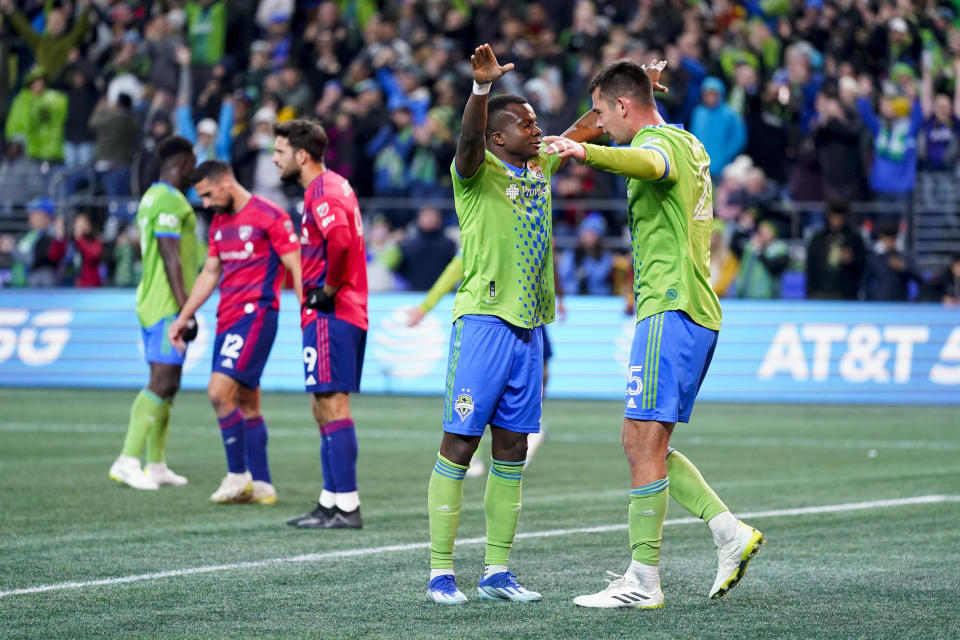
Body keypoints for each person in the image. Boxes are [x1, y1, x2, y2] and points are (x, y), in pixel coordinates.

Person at [543, 59, 764, 609]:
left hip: (669, 309)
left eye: (602, 112)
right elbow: (610, 125)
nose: (596, 123)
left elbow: (645, 162)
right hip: (689, 308)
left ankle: (643, 581)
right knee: (642, 441)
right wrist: (603, 111)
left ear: (623, 106)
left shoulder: (659, 147)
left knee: (643, 442)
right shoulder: (687, 139)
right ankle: (729, 533)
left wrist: (585, 151)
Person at [423, 44, 601, 606]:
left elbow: (586, 127)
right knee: (458, 443)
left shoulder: (540, 163)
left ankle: (497, 572)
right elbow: (469, 140)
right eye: (525, 123)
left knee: (512, 449)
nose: (536, 127)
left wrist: (629, 92)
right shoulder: (476, 173)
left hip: (528, 329)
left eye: (534, 119)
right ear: (500, 138)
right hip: (483, 322)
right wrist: (480, 91)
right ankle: (440, 574)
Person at [168, 160, 302, 505]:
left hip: (256, 315)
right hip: (227, 318)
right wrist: (184, 316)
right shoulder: (219, 222)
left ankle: (237, 475)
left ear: (226, 181)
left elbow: (295, 265)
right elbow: (210, 272)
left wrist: (308, 311)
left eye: (208, 194)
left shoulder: (270, 215)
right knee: (246, 401)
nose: (207, 203)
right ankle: (262, 485)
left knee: (218, 392)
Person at [271, 119, 369, 530]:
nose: (275, 159)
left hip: (335, 311)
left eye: (279, 152)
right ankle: (331, 500)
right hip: (330, 312)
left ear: (302, 155)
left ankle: (347, 506)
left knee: (333, 404)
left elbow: (342, 240)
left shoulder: (323, 191)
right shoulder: (331, 185)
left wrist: (328, 290)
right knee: (320, 406)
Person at [108, 136, 198, 491]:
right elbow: (170, 254)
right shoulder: (169, 201)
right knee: (161, 380)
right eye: (193, 163)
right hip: (166, 304)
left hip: (152, 298)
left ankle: (156, 463)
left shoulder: (150, 196)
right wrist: (185, 310)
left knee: (170, 384)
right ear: (184, 163)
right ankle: (128, 459)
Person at [805, 200, 866, 300]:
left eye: (840, 216)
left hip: (846, 293)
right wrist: (810, 291)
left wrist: (851, 260)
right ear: (829, 216)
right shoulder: (818, 238)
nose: (837, 220)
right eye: (835, 216)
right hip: (820, 292)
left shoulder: (855, 238)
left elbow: (863, 265)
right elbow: (810, 266)